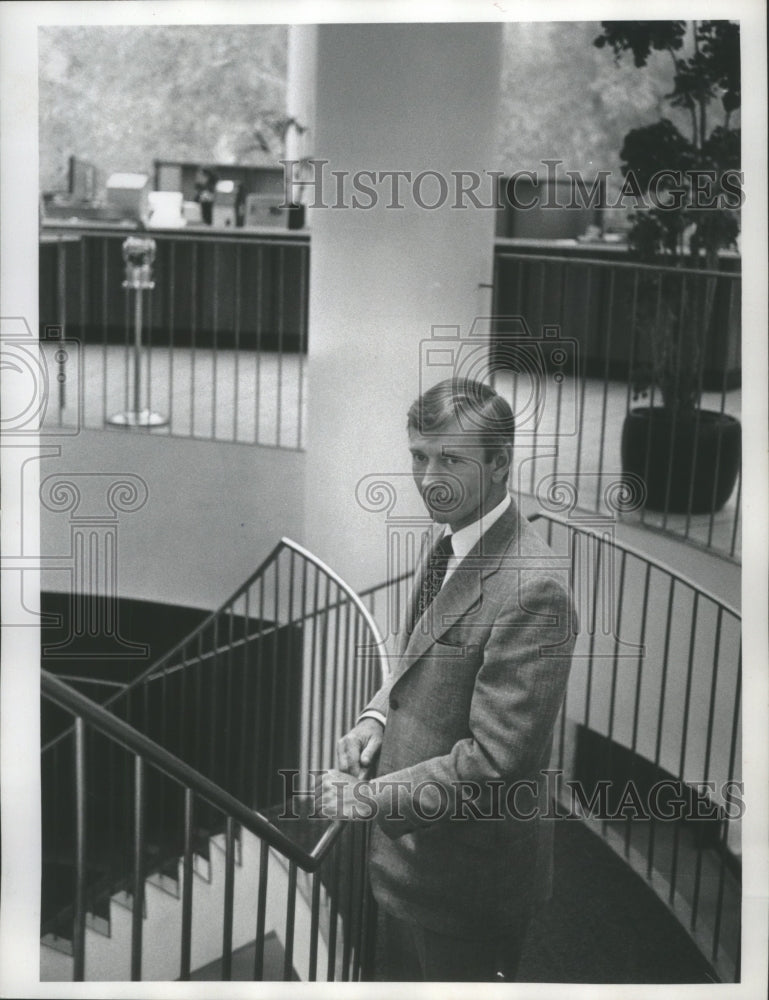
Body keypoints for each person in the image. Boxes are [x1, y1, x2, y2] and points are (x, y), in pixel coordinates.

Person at [317, 377, 576, 982]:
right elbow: (417, 661)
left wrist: (366, 798)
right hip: (413, 863)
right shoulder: (450, 541)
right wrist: (376, 716)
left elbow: (495, 764)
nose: (430, 477)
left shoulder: (534, 590)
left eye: (451, 459)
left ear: (499, 463)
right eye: (419, 456)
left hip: (468, 886)